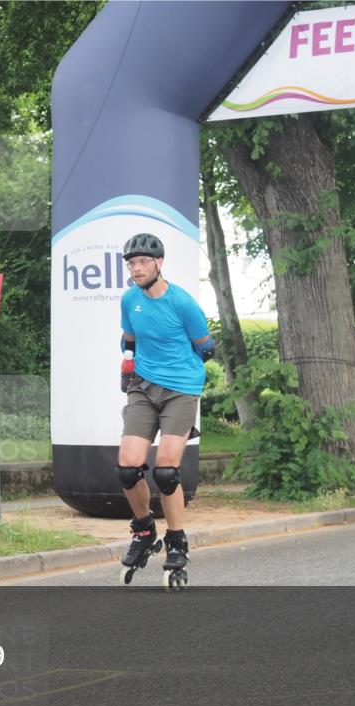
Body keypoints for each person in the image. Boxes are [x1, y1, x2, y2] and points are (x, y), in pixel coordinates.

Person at [116, 232, 214, 587]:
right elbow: (128, 340)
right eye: (132, 263)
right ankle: (144, 530)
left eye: (142, 262)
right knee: (128, 469)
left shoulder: (183, 303)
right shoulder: (129, 300)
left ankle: (176, 540)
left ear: (159, 263)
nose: (136, 269)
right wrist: (129, 366)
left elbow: (206, 347)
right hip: (142, 387)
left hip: (180, 390)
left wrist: (180, 373)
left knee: (166, 472)